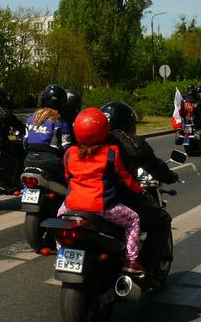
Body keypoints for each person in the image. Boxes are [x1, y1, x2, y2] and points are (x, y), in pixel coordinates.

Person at [57, 108, 146, 274]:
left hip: (71, 206)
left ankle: (62, 254)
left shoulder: (69, 153)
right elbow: (125, 179)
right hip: (103, 207)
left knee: (60, 219)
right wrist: (139, 189)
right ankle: (132, 261)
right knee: (134, 220)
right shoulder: (111, 152)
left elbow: (68, 177)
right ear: (105, 130)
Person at [102, 101, 178, 269]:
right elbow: (154, 166)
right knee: (161, 219)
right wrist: (170, 176)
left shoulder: (90, 142)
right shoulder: (132, 143)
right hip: (117, 202)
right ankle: (145, 267)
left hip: (82, 202)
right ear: (128, 123)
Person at [23, 85, 71, 184]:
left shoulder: (30, 119)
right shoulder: (60, 122)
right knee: (70, 182)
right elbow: (67, 147)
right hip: (51, 162)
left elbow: (25, 143)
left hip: (29, 160)